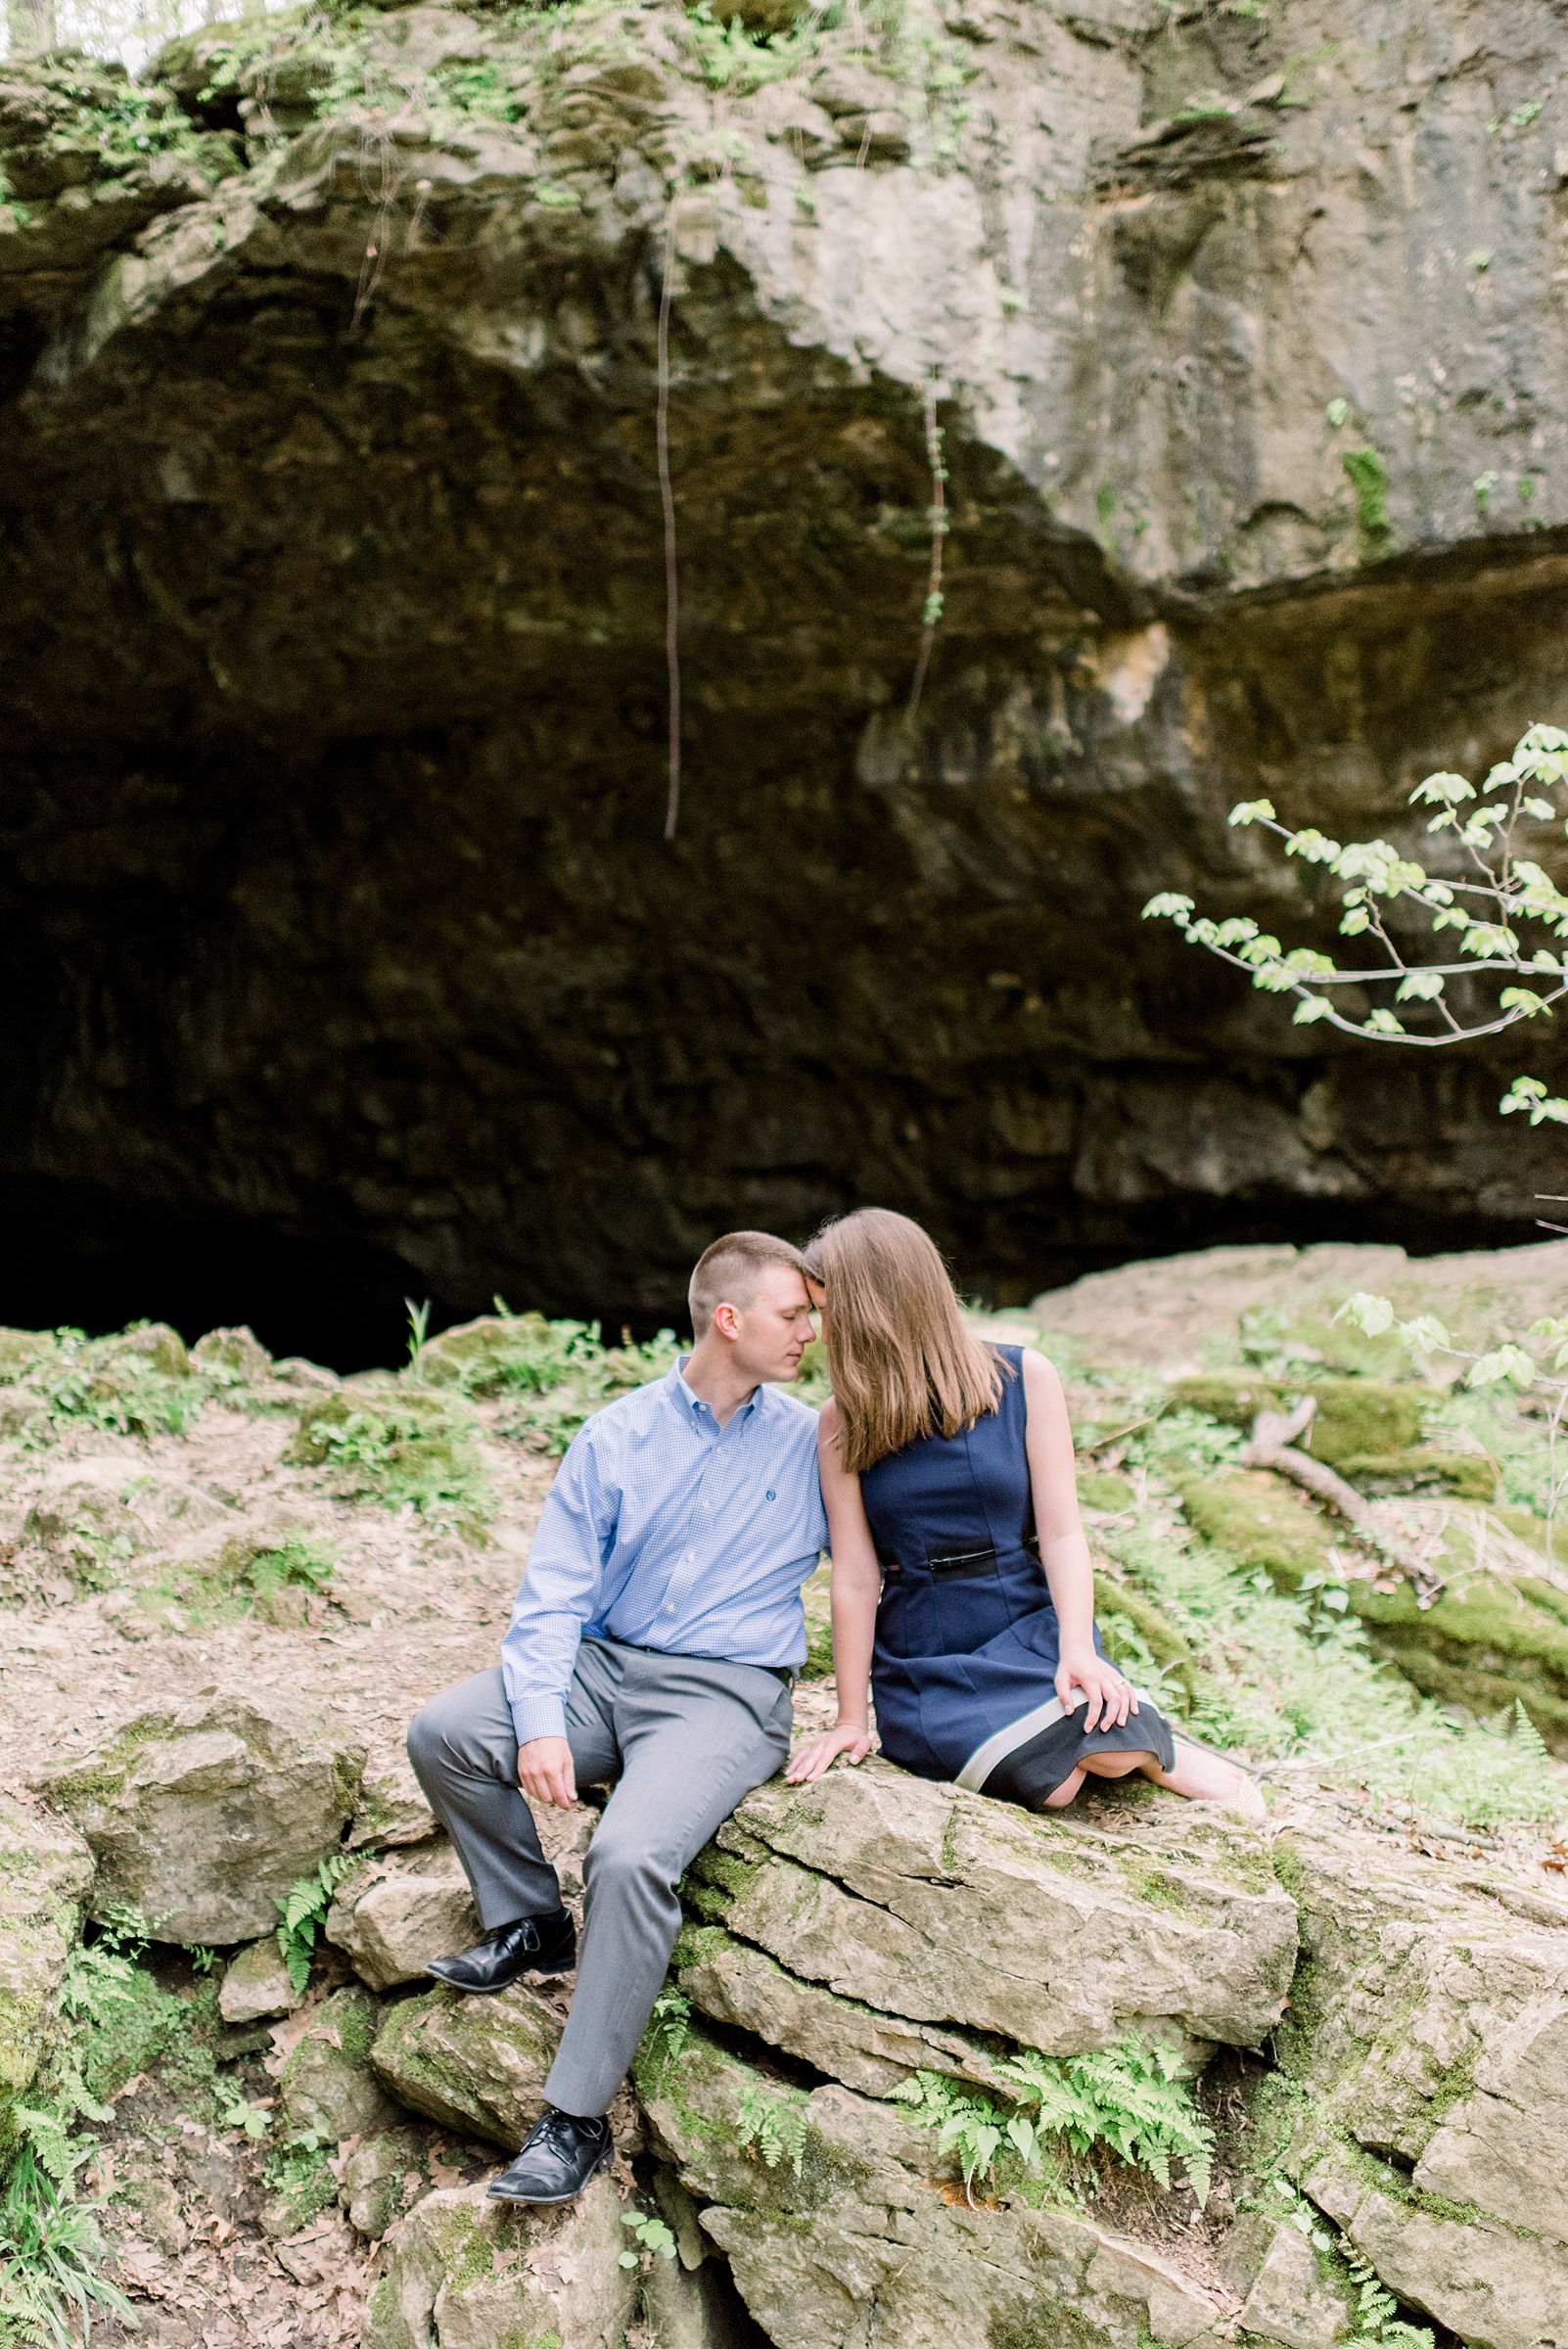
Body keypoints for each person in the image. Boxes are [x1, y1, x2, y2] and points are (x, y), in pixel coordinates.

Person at [407, 1231, 827, 2206]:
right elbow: (551, 1597)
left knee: (632, 1855)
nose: (811, 1331)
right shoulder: (617, 1435)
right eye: (792, 1314)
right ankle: (531, 1922)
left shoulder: (816, 1440)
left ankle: (575, 2119)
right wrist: (543, 1719)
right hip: (607, 1665)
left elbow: (877, 1564)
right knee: (448, 1733)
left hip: (727, 1693)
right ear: (730, 1319)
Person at [786, 1208, 1263, 1819]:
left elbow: (1062, 1534)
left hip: (1027, 1620)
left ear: (878, 1305)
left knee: (1109, 1748)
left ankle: (1148, 1746)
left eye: (829, 1313)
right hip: (928, 1653)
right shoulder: (841, 1420)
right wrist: (851, 1719)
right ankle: (1145, 1747)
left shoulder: (1021, 1376)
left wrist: (1077, 1648)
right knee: (1054, 1783)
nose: (823, 1333)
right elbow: (855, 1575)